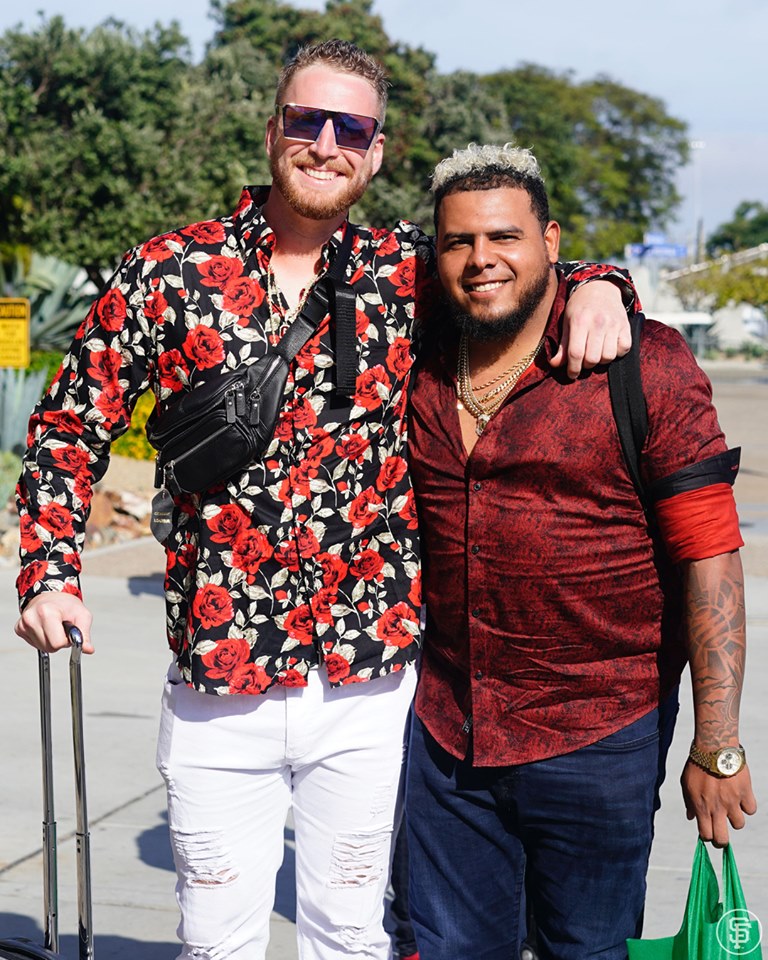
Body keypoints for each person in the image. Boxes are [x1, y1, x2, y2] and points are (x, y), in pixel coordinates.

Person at [15, 42, 634, 960]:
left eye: (352, 128)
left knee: (352, 935)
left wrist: (599, 285)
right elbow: (69, 429)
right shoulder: (168, 272)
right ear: (274, 133)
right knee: (216, 940)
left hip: (369, 683)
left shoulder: (406, 270)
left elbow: (513, 268)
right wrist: (50, 571)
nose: (326, 143)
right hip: (220, 681)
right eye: (307, 121)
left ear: (375, 153)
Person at [405, 142, 757, 960]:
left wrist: (718, 741)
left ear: (552, 241)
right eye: (459, 241)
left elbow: (712, 555)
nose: (481, 258)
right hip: (449, 733)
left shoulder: (649, 364)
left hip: (600, 736)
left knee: (588, 951)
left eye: (505, 237)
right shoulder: (420, 354)